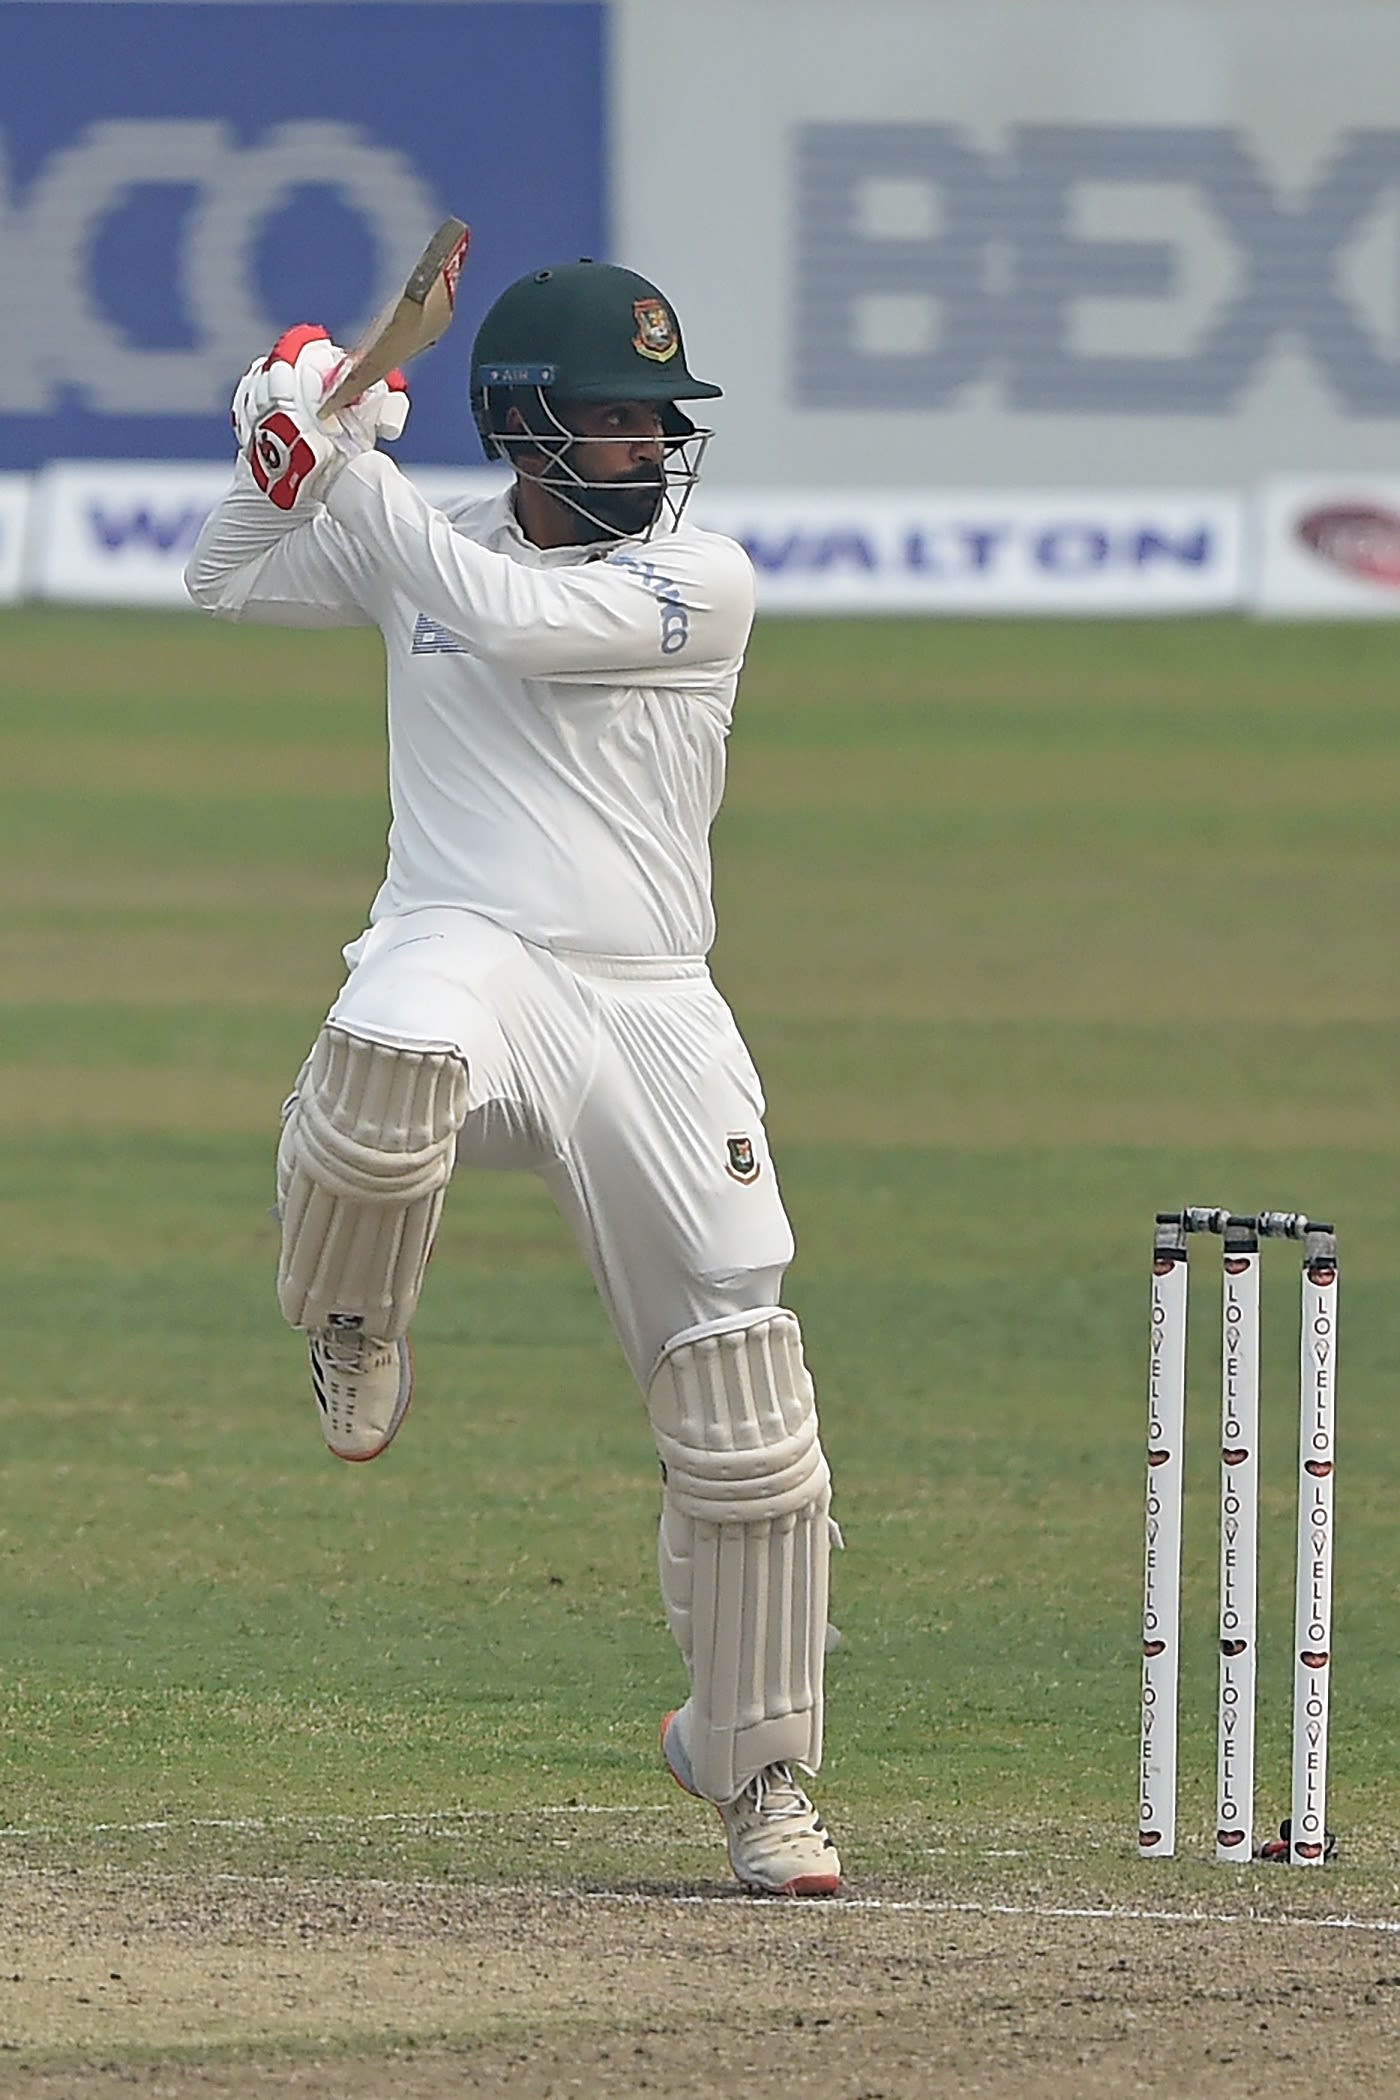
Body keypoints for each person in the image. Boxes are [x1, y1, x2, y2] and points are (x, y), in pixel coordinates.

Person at [185, 259, 841, 1898]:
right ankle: (354, 1316)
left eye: (660, 421)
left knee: (746, 1410)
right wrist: (276, 447)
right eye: (615, 418)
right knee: (390, 1049)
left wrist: (348, 465)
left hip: (652, 1005)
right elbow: (220, 576)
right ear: (525, 426)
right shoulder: (436, 542)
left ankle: (754, 1767)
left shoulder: (701, 578)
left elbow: (508, 620)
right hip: (465, 940)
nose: (648, 447)